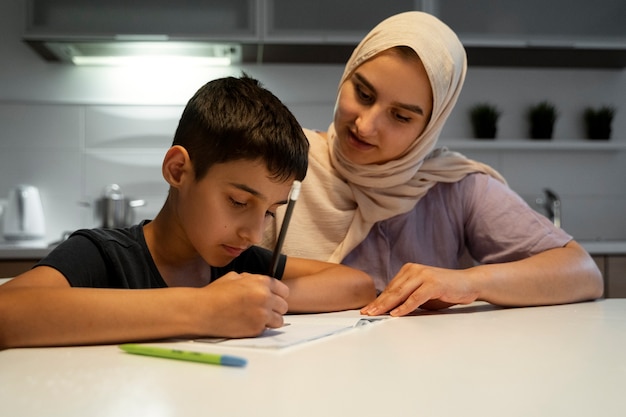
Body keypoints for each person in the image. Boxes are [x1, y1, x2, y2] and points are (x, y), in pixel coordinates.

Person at [262, 12, 603, 317]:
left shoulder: (453, 185)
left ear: (429, 128)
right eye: (364, 95)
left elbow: (583, 272)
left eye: (400, 116)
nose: (365, 125)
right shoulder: (284, 160)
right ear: (346, 77)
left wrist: (470, 281)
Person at [0, 75, 376, 349]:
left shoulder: (238, 266)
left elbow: (356, 285)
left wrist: (254, 301)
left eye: (269, 212)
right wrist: (201, 308)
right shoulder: (105, 256)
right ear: (178, 170)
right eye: (239, 202)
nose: (252, 232)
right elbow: (7, 311)